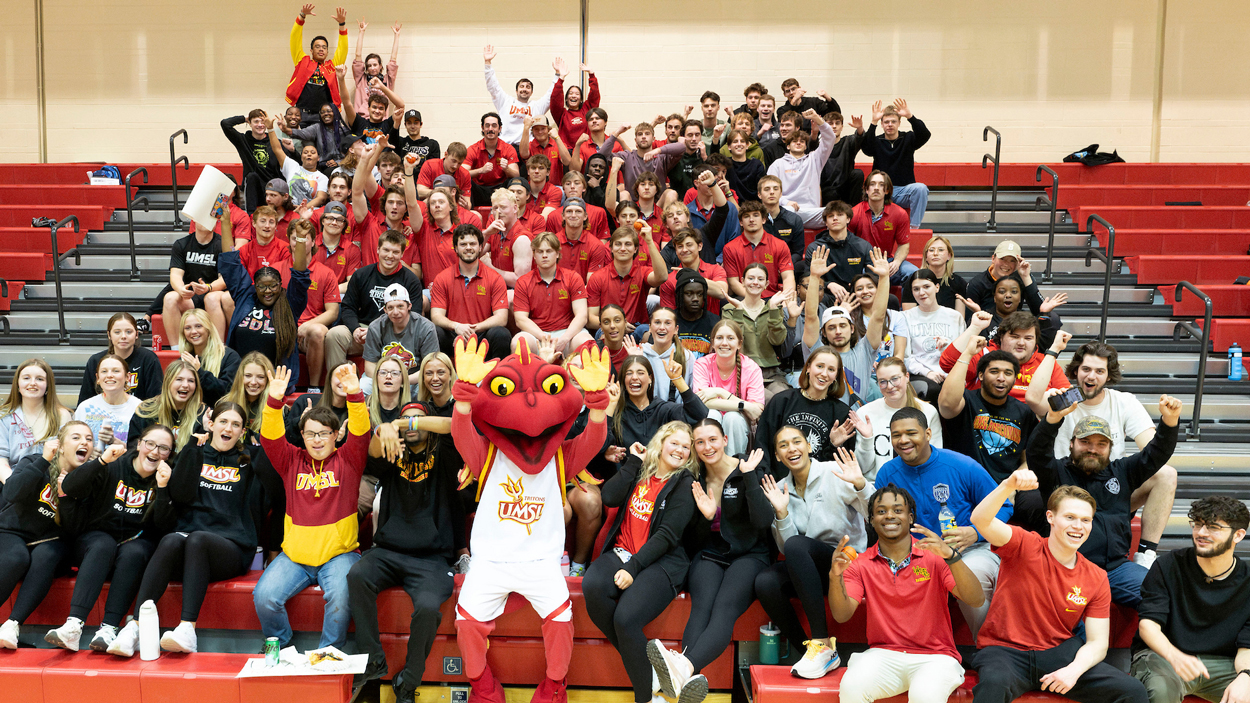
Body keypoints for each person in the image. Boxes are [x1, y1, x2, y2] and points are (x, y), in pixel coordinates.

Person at [968, 471, 1149, 703]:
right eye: (1070, 517)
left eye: (1085, 520)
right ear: (1050, 517)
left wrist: (1073, 671)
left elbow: (1097, 643)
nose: (1078, 526)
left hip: (1059, 654)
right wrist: (1007, 485)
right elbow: (980, 520)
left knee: (1133, 691)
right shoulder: (1024, 544)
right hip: (1005, 652)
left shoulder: (1096, 576)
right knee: (994, 685)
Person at [107, 402, 269, 656]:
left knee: (197, 540)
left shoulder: (252, 458)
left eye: (235, 424)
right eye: (223, 422)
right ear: (211, 424)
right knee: (171, 540)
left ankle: (187, 629)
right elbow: (181, 495)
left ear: (242, 431)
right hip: (190, 543)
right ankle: (136, 627)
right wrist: (193, 448)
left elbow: (273, 489)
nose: (228, 428)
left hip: (231, 547)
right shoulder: (194, 451)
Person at [648, 420, 770, 703]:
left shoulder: (748, 466)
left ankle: (681, 672)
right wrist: (705, 518)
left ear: (725, 439)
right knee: (700, 609)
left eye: (712, 439)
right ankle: (683, 682)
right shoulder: (693, 478)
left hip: (750, 554)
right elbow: (691, 540)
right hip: (709, 552)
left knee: (723, 609)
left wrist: (749, 477)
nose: (707, 447)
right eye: (700, 442)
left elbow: (764, 521)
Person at [348, 401, 462, 699]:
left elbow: (454, 425)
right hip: (389, 551)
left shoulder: (445, 453)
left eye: (419, 418)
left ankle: (408, 681)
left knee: (427, 608)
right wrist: (383, 430)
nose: (412, 423)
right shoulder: (392, 451)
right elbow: (373, 452)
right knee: (357, 575)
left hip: (431, 558)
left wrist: (400, 422)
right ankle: (373, 660)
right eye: (405, 417)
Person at [831, 483, 986, 699]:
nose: (889, 516)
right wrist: (835, 576)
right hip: (883, 654)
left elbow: (976, 599)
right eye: (881, 511)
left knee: (924, 694)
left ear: (910, 517)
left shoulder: (935, 555)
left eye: (898, 510)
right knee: (852, 687)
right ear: (871, 520)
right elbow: (842, 614)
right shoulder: (860, 563)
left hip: (935, 657)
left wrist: (951, 556)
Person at [1027, 390, 1181, 607]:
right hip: (1067, 568)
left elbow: (1157, 453)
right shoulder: (1055, 472)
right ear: (1071, 443)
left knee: (1162, 597)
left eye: (1101, 444)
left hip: (1116, 569)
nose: (1093, 449)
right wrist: (1053, 418)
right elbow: (1037, 451)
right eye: (1085, 441)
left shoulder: (1122, 471)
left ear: (1110, 448)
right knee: (1072, 617)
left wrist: (1170, 421)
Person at [253, 364, 367, 650]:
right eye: (311, 434)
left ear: (336, 435)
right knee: (264, 596)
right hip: (295, 557)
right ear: (302, 436)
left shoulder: (349, 460)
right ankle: (282, 647)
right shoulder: (290, 460)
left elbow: (362, 433)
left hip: (339, 555)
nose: (317, 440)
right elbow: (270, 438)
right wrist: (274, 401)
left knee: (341, 598)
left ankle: (329, 654)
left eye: (324, 433)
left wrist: (355, 394)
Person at [582, 422, 697, 703]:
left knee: (626, 619)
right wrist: (634, 462)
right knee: (592, 586)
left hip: (661, 562)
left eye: (686, 446)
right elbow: (609, 497)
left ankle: (644, 697)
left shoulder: (685, 483)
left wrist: (632, 569)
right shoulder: (641, 471)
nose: (680, 450)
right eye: (674, 443)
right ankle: (652, 674)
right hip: (622, 551)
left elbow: (667, 536)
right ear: (661, 443)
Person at [874, 406, 1012, 640]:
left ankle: (990, 647)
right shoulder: (887, 474)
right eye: (896, 435)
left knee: (972, 575)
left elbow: (1004, 506)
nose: (903, 440)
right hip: (917, 556)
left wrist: (975, 532)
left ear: (928, 434)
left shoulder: (962, 465)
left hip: (970, 549)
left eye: (911, 433)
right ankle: (911, 648)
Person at [1035, 344, 1177, 567]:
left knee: (1166, 473)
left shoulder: (1124, 402)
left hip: (1111, 484)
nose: (1091, 376)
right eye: (1086, 369)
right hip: (1064, 482)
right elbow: (1032, 402)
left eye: (1099, 371)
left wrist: (1169, 421)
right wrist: (1052, 413)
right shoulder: (1061, 399)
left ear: (1109, 375)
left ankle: (1146, 554)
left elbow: (1154, 452)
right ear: (1075, 371)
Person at [44, 425, 174, 651]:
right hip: (95, 542)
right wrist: (101, 461)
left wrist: (162, 488)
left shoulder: (167, 477)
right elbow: (69, 486)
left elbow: (163, 527)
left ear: (169, 455)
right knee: (103, 544)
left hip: (132, 546)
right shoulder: (114, 465)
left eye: (163, 448)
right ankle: (73, 625)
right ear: (139, 444)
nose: (155, 451)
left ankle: (109, 628)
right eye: (150, 444)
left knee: (136, 551)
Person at [755, 430, 873, 678]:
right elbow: (786, 547)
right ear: (777, 455)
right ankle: (807, 651)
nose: (791, 449)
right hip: (808, 566)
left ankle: (821, 642)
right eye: (783, 445)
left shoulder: (834, 471)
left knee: (797, 546)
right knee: (766, 582)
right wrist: (782, 513)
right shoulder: (780, 488)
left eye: (797, 442)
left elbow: (874, 513)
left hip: (846, 561)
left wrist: (861, 484)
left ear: (809, 447)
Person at [1131, 495, 1250, 703]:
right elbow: (1148, 626)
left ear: (1238, 535)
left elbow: (1247, 645)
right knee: (1161, 689)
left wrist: (1246, 676)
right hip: (1163, 656)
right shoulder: (1168, 565)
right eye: (1197, 524)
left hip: (1224, 664)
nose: (1201, 533)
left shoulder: (1247, 580)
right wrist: (1174, 656)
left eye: (1213, 527)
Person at [0, 422, 93, 650]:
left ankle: (12, 625)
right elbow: (11, 492)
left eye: (89, 439)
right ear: (60, 445)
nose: (84, 442)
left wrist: (66, 497)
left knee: (46, 555)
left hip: (53, 543)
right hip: (13, 532)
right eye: (76, 437)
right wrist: (43, 461)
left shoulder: (89, 480)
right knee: (16, 557)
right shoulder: (34, 461)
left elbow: (76, 530)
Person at [217, 202, 309, 394]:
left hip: (276, 382)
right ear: (254, 286)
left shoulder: (289, 302)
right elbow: (230, 262)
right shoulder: (245, 296)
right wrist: (225, 223)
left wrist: (300, 239)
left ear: (280, 285)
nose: (268, 291)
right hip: (242, 380)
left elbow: (300, 276)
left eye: (273, 286)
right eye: (262, 287)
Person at [802, 247, 891, 406]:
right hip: (822, 417)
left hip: (855, 418)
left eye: (843, 326)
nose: (838, 331)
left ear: (852, 328)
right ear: (823, 333)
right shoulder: (816, 351)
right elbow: (810, 317)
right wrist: (814, 277)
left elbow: (878, 317)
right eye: (831, 327)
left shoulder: (864, 351)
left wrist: (884, 278)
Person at [325, 230, 423, 374]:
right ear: (378, 249)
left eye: (395, 252)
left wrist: (377, 331)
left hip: (395, 335)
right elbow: (348, 307)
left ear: (402, 254)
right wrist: (355, 329)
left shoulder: (411, 280)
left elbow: (414, 316)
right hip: (363, 331)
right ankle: (339, 381)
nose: (390, 256)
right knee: (334, 334)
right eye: (386, 250)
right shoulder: (361, 275)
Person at [754, 347, 856, 476]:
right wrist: (765, 481)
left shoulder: (842, 413)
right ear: (808, 368)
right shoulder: (781, 401)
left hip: (820, 484)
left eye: (831, 369)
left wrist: (834, 445)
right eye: (820, 366)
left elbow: (842, 468)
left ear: (836, 376)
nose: (824, 373)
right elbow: (762, 446)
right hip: (778, 483)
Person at [940, 310, 1070, 400]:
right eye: (1014, 337)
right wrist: (975, 327)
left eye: (1028, 338)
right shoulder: (985, 355)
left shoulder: (1046, 363)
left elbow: (1068, 397)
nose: (1021, 343)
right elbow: (948, 364)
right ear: (1001, 337)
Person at [606, 355, 708, 469]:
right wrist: (610, 405)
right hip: (625, 476)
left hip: (661, 476)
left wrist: (678, 380)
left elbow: (700, 414)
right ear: (623, 380)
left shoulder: (663, 409)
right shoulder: (615, 411)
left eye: (640, 373)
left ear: (650, 378)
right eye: (629, 373)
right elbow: (601, 445)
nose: (634, 377)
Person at [429, 224, 512, 361]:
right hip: (454, 333)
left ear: (480, 247)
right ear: (456, 248)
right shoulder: (442, 278)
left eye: (473, 244)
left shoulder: (495, 278)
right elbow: (436, 316)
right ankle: (442, 371)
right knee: (435, 332)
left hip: (481, 333)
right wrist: (457, 327)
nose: (468, 247)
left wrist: (473, 329)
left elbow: (501, 318)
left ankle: (498, 373)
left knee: (501, 333)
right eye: (463, 244)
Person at [851, 357, 943, 481]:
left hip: (915, 483)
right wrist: (867, 439)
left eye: (895, 379)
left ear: (907, 377)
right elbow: (861, 469)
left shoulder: (928, 411)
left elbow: (934, 462)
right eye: (882, 381)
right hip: (877, 485)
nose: (889, 386)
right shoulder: (865, 413)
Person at [692, 320, 765, 456]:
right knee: (712, 414)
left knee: (732, 418)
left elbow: (756, 411)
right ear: (713, 343)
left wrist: (720, 392)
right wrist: (744, 405)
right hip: (711, 418)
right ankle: (709, 464)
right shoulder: (702, 364)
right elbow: (700, 402)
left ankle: (734, 465)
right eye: (719, 338)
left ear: (739, 343)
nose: (724, 343)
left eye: (730, 338)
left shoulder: (751, 368)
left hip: (739, 424)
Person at [513, 232, 593, 354]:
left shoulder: (573, 278)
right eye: (540, 251)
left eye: (549, 251)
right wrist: (543, 337)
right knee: (518, 343)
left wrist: (565, 339)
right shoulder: (523, 282)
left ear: (557, 254)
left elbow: (582, 316)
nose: (544, 255)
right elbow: (520, 319)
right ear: (534, 255)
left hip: (567, 333)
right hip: (536, 334)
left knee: (587, 343)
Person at [359, 283, 439, 395]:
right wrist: (387, 381)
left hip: (414, 380)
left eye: (400, 306)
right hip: (383, 379)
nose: (395, 312)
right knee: (363, 387)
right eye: (390, 308)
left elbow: (430, 367)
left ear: (409, 306)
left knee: (434, 386)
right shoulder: (376, 327)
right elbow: (370, 367)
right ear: (385, 309)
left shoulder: (426, 327)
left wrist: (400, 381)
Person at [722, 265, 790, 395]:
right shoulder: (729, 309)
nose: (755, 282)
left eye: (760, 279)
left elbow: (777, 340)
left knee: (782, 396)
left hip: (771, 371)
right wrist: (738, 312)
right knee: (766, 397)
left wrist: (773, 309)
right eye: (751, 278)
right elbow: (732, 343)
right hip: (741, 370)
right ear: (742, 281)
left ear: (766, 284)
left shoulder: (773, 307)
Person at [861, 100, 930, 228]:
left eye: (893, 121)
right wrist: (873, 122)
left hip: (904, 191)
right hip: (883, 190)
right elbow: (866, 149)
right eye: (886, 122)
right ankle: (871, 226)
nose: (890, 125)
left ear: (899, 123)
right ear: (882, 124)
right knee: (867, 190)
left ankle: (914, 229)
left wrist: (910, 116)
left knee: (921, 189)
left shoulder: (908, 138)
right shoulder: (877, 141)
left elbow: (925, 135)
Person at [155, 216, 225, 341]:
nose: (207, 221)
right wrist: (181, 289)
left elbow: (225, 279)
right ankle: (176, 348)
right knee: (170, 298)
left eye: (211, 218)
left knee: (211, 299)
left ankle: (217, 348)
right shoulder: (181, 244)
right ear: (194, 220)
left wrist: (208, 287)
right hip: (191, 296)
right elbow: (175, 275)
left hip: (214, 293)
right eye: (203, 217)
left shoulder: (222, 245)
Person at [587, 225, 668, 331]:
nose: (622, 248)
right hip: (608, 330)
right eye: (618, 244)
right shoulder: (597, 277)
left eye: (628, 244)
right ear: (611, 249)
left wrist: (649, 241)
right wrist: (617, 326)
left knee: (647, 332)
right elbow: (591, 319)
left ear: (635, 249)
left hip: (637, 329)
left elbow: (662, 277)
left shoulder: (642, 272)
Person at [766, 108, 837, 228]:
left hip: (810, 212)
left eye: (802, 141)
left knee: (836, 212)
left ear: (805, 146)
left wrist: (817, 119)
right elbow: (768, 190)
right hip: (787, 210)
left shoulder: (815, 159)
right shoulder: (777, 164)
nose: (798, 143)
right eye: (794, 141)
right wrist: (786, 202)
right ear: (788, 146)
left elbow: (830, 138)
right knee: (783, 211)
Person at [1, 360, 71, 480]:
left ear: (48, 385)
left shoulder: (62, 415)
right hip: (13, 481)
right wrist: (14, 485)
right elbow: (1, 459)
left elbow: (67, 457)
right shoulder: (4, 416)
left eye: (39, 379)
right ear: (17, 384)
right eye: (26, 378)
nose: (33, 383)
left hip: (50, 481)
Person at [903, 270, 966, 400]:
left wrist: (947, 348)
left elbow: (963, 353)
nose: (921, 293)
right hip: (920, 374)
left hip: (951, 373)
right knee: (932, 389)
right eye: (916, 289)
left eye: (926, 287)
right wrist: (928, 373)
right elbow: (906, 357)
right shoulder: (905, 317)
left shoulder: (955, 317)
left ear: (937, 287)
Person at [849, 170, 918, 286]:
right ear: (866, 190)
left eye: (881, 185)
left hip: (886, 261)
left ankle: (906, 300)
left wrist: (897, 262)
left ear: (887, 191)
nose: (876, 188)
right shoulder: (854, 213)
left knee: (914, 274)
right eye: (872, 184)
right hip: (861, 263)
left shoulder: (899, 213)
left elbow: (903, 244)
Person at [79, 313, 163, 406]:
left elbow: (156, 400)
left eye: (129, 332)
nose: (123, 336)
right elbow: (85, 401)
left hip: (140, 413)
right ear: (109, 335)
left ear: (136, 334)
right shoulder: (95, 361)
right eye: (117, 332)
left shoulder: (149, 359)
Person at [482, 44, 555, 146]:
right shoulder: (505, 101)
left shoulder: (536, 106)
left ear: (531, 92)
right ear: (516, 91)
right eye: (522, 86)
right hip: (505, 146)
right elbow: (493, 86)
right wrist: (488, 63)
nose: (524, 89)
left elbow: (550, 95)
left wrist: (558, 75)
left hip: (526, 148)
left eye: (528, 87)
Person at [127, 361, 204, 457]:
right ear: (168, 382)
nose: (185, 385)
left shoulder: (203, 415)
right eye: (179, 379)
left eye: (191, 381)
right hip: (151, 464)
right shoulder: (146, 410)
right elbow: (133, 450)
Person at [722, 201, 796, 301]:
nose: (751, 220)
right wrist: (756, 301)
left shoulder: (780, 245)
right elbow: (733, 282)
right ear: (741, 222)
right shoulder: (730, 248)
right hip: (744, 298)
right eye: (746, 216)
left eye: (756, 215)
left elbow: (788, 277)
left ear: (764, 219)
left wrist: (785, 299)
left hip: (773, 298)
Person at [286, 5, 349, 121]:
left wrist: (342, 25)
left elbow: (343, 49)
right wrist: (301, 16)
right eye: (317, 47)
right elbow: (294, 39)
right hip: (302, 114)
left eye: (324, 47)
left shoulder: (332, 66)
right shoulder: (302, 61)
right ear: (311, 50)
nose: (321, 49)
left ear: (327, 52)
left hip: (324, 117)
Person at [73, 355, 142, 453]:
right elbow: (72, 445)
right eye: (104, 371)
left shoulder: (139, 408)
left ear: (127, 377)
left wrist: (115, 442)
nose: (109, 375)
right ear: (98, 378)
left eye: (116, 371)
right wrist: (88, 452)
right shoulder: (85, 407)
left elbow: (145, 450)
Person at [804, 202, 872, 297]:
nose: (835, 218)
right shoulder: (815, 248)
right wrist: (828, 285)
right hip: (827, 295)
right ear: (826, 222)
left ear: (848, 219)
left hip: (857, 294)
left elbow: (873, 277)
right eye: (831, 216)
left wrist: (859, 285)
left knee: (890, 299)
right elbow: (807, 279)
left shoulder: (862, 246)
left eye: (840, 215)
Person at [176, 309, 241, 407]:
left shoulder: (230, 357)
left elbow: (228, 392)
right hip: (190, 412)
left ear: (208, 329)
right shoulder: (184, 360)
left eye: (198, 326)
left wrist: (199, 372)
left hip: (220, 412)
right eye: (188, 328)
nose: (193, 331)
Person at [221, 110, 284, 211]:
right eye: (256, 121)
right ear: (250, 123)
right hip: (254, 188)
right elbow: (225, 124)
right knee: (251, 176)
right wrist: (245, 118)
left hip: (272, 187)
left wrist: (293, 150)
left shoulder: (274, 141)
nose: (260, 125)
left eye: (262, 121)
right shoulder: (243, 140)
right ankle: (251, 215)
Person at [657, 229, 729, 315]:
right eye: (680, 246)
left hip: (712, 322)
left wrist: (691, 276)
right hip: (680, 323)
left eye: (689, 245)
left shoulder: (715, 269)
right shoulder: (669, 280)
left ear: (700, 246)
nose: (684, 250)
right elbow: (668, 315)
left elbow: (722, 293)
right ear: (676, 251)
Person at [603, 123, 686, 195]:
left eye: (647, 134)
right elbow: (602, 156)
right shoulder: (627, 157)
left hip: (657, 204)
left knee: (671, 194)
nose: (643, 137)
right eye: (640, 134)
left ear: (653, 139)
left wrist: (657, 150)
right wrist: (617, 133)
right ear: (635, 140)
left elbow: (682, 147)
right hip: (632, 205)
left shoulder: (661, 158)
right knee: (623, 194)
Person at [963, 240, 1032, 317]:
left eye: (1012, 261)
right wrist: (979, 313)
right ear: (993, 258)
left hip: (1015, 323)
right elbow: (969, 320)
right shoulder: (977, 284)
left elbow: (1039, 310)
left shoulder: (1022, 279)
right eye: (1002, 259)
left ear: (1018, 263)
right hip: (985, 323)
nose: (1006, 264)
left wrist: (1026, 277)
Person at [901, 235, 967, 315]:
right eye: (931, 250)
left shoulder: (958, 282)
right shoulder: (913, 280)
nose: (935, 253)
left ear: (949, 256)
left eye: (941, 250)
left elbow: (959, 318)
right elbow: (908, 316)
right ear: (926, 256)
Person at [481, 188, 533, 289]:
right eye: (495, 208)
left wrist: (490, 267)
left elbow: (520, 281)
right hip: (497, 287)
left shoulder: (522, 239)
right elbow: (475, 254)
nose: (498, 212)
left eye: (503, 207)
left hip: (514, 292)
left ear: (515, 208)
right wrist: (486, 233)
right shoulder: (494, 231)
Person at [467, 112, 521, 207]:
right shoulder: (473, 149)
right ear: (482, 128)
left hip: (501, 190)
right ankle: (470, 213)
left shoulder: (508, 149)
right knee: (466, 181)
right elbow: (462, 173)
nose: (490, 129)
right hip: (479, 190)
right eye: (487, 126)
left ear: (499, 129)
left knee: (513, 182)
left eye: (494, 126)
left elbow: (516, 175)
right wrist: (481, 170)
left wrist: (507, 169)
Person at [350, 19, 400, 116]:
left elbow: (393, 59)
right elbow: (358, 56)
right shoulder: (361, 79)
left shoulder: (387, 80)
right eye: (369, 66)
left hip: (381, 120)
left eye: (375, 65)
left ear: (380, 66)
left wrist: (397, 36)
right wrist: (361, 32)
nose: (372, 68)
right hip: (363, 119)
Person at [548, 57, 600, 146]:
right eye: (571, 93)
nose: (573, 96)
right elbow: (555, 99)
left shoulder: (586, 110)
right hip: (567, 151)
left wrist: (591, 74)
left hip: (585, 150)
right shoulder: (562, 114)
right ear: (566, 98)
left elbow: (594, 96)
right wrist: (561, 78)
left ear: (581, 99)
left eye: (577, 94)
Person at [820, 111, 867, 207]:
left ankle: (855, 210)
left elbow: (859, 138)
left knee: (858, 173)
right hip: (828, 190)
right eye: (830, 123)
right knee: (830, 193)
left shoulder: (848, 141)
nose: (834, 126)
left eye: (837, 123)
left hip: (846, 188)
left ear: (842, 127)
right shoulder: (820, 146)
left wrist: (859, 128)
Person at [675, 270, 720, 358]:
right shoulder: (669, 320)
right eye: (689, 294)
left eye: (700, 294)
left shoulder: (715, 322)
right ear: (680, 295)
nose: (695, 298)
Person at [394, 109, 440, 173]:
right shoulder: (401, 142)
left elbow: (434, 168)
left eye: (416, 123)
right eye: (409, 123)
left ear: (421, 124)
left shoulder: (432, 144)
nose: (412, 126)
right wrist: (397, 122)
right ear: (405, 125)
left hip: (424, 178)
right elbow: (392, 139)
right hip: (404, 177)